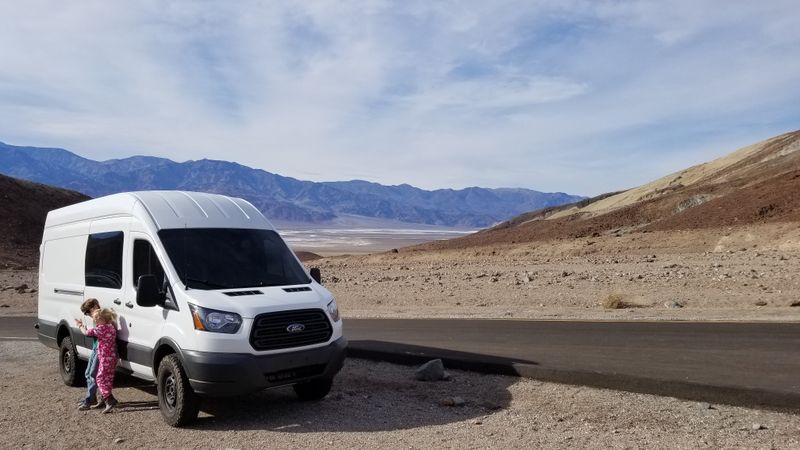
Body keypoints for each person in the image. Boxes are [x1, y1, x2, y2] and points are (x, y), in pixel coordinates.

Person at [76, 308, 119, 413]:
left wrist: (80, 326)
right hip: (112, 357)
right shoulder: (111, 327)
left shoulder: (101, 329)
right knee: (107, 379)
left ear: (103, 319)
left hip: (105, 358)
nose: (95, 321)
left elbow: (86, 332)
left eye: (96, 319)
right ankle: (104, 400)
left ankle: (110, 400)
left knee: (99, 378)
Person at [75, 298, 101, 411]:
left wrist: (81, 327)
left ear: (94, 306)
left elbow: (89, 333)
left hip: (100, 349)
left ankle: (90, 399)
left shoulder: (100, 317)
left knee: (92, 374)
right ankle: (91, 397)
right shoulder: (98, 317)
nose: (89, 315)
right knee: (88, 373)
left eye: (88, 312)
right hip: (96, 347)